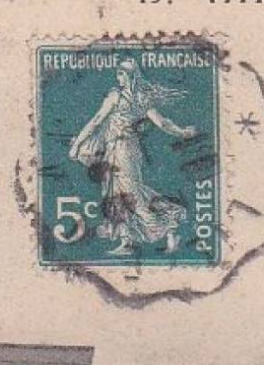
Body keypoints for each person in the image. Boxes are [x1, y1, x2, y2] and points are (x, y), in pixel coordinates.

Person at [68, 58, 198, 256]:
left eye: (121, 73)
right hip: (117, 150)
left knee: (132, 195)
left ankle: (169, 228)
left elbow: (96, 121)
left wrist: (77, 144)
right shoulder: (140, 98)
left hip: (123, 151)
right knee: (115, 194)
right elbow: (162, 123)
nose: (118, 77)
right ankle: (126, 241)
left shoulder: (118, 97)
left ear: (130, 76)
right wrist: (182, 132)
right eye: (118, 73)